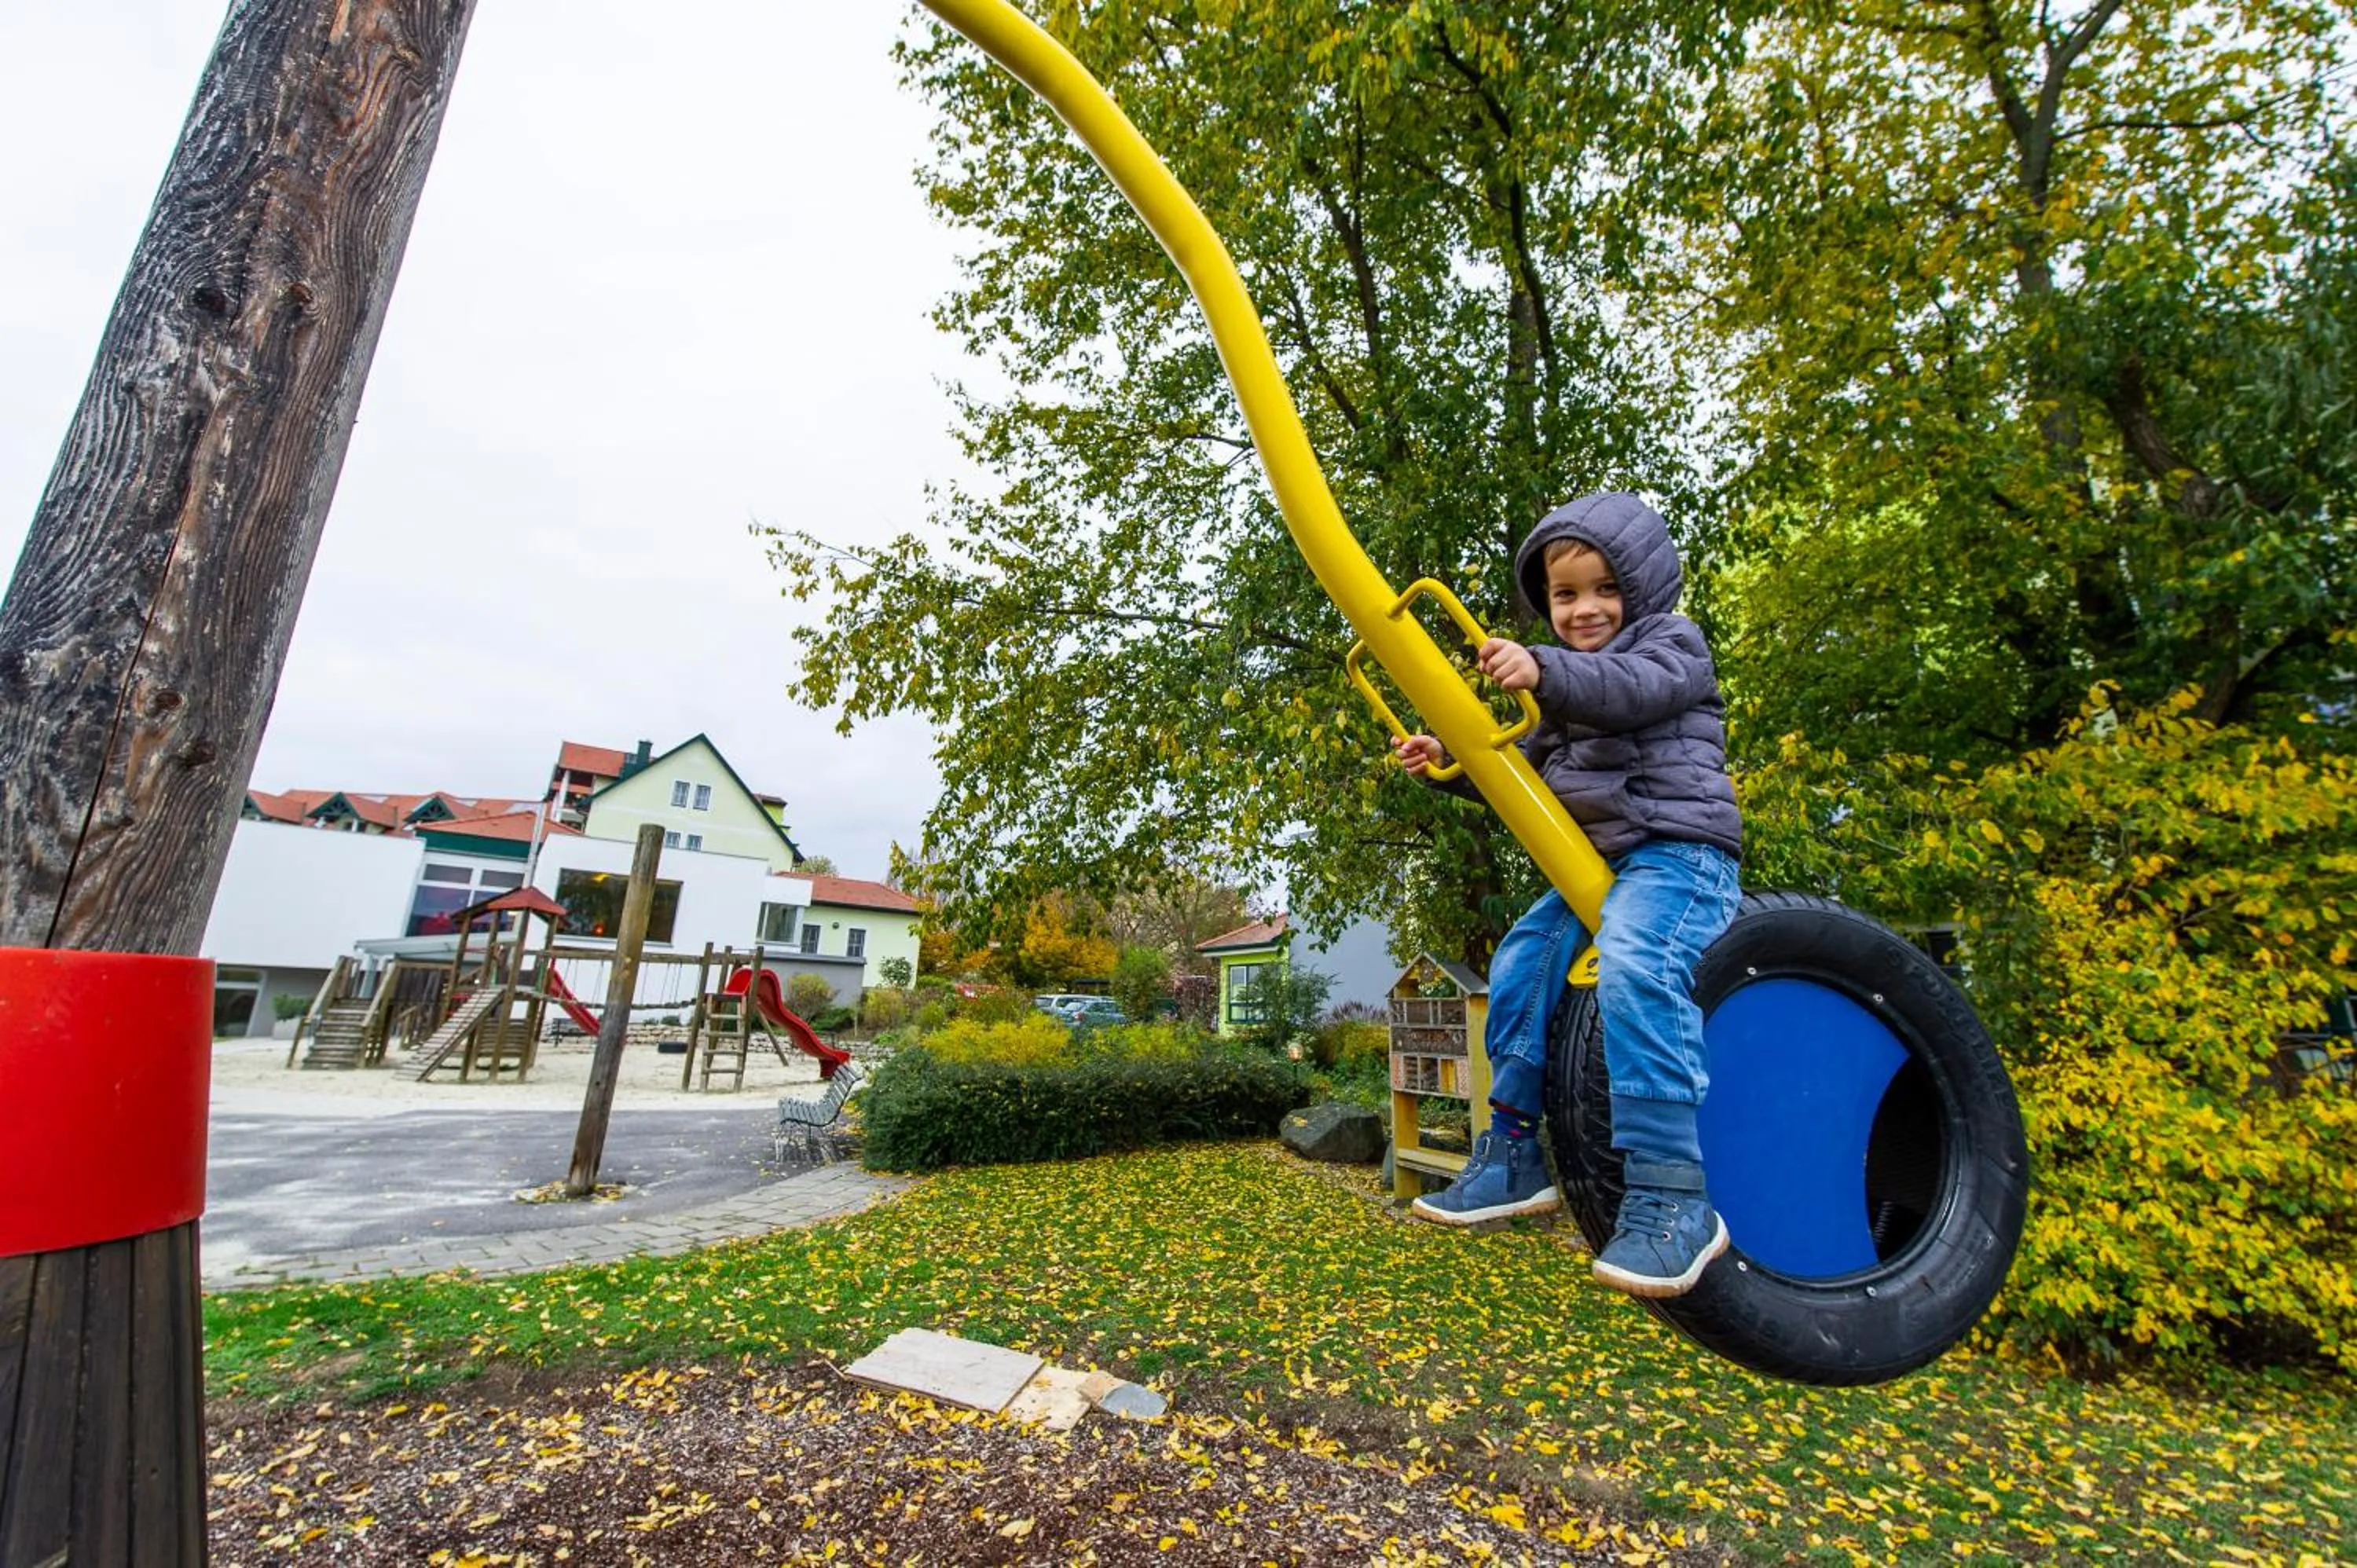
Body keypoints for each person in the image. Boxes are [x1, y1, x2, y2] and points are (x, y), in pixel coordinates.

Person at [1395, 492, 1743, 1299]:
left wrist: (1546, 670)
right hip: (1596, 866)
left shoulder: (1671, 645)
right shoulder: (1559, 691)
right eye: (1565, 594)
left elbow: (1631, 689)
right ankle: (1513, 1149)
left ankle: (1673, 1191)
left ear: (1644, 588)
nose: (1585, 609)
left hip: (1678, 856)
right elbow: (1524, 775)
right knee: (1520, 961)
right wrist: (1449, 764)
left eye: (1605, 589)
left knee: (1637, 961)